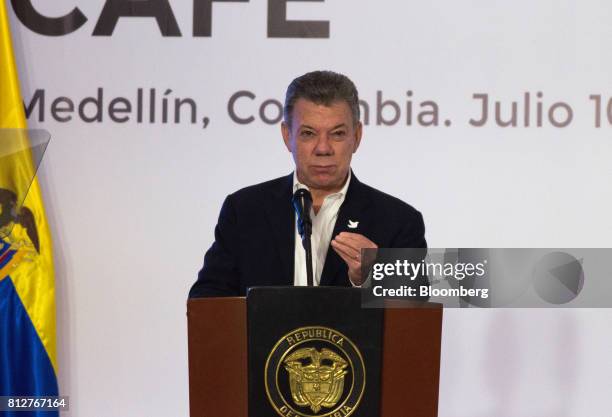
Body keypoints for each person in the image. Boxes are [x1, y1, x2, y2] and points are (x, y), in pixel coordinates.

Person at [189, 70, 426, 298]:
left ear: (357, 137)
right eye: (308, 133)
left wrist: (376, 277)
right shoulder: (244, 210)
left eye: (338, 134)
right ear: (287, 136)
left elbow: (419, 317)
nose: (323, 149)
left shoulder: (399, 221)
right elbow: (206, 300)